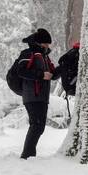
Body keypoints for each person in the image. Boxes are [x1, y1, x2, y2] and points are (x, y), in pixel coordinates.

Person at [16, 28, 59, 160]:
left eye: (48, 44)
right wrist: (41, 75)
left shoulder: (45, 56)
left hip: (42, 96)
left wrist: (63, 65)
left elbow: (52, 75)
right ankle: (27, 156)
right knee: (36, 125)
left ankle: (28, 155)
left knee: (39, 127)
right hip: (31, 96)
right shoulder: (28, 53)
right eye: (45, 43)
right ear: (39, 43)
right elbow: (21, 71)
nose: (47, 46)